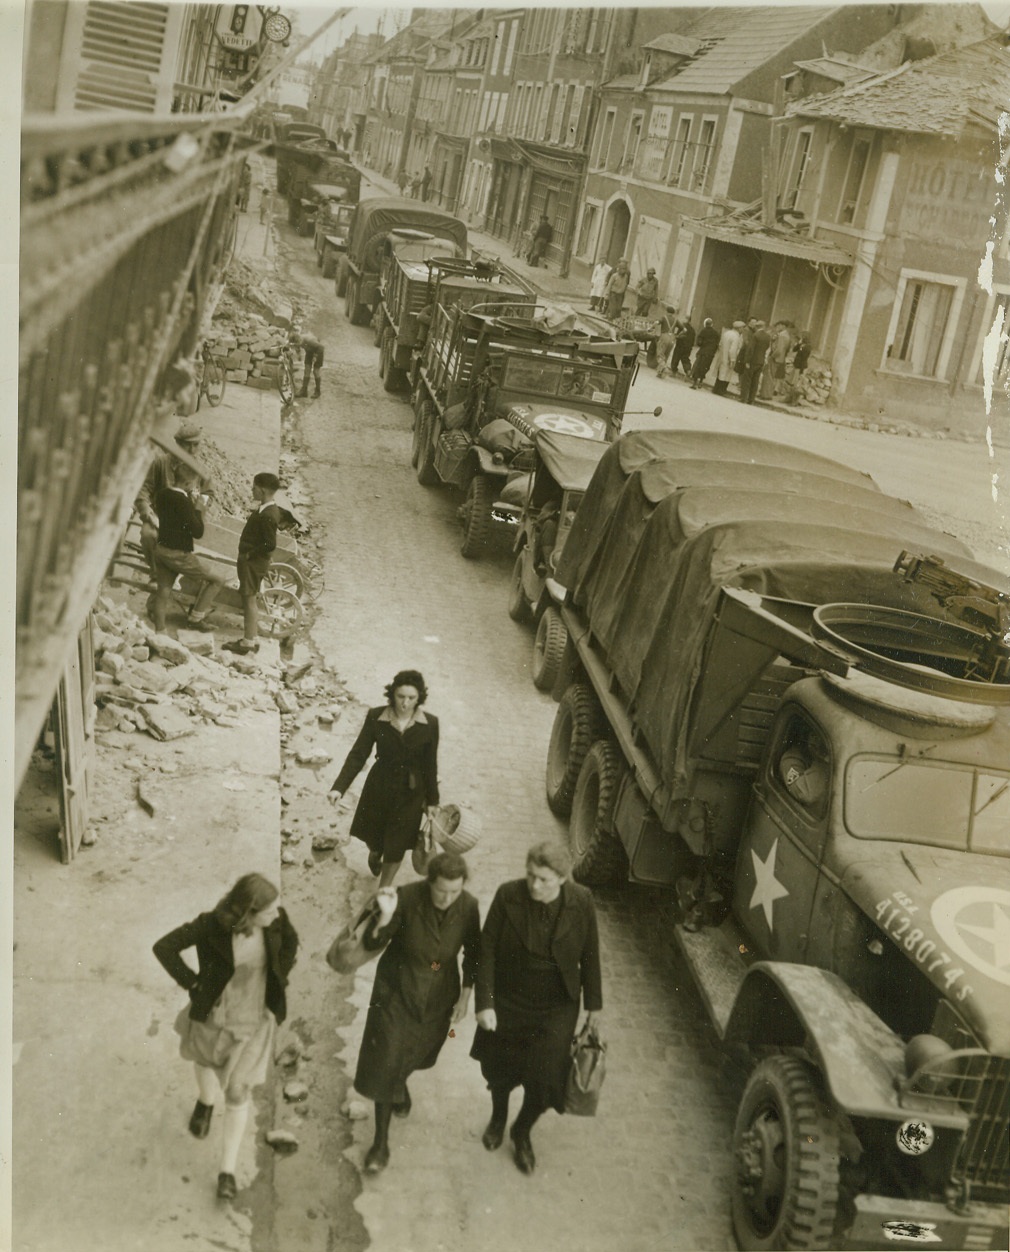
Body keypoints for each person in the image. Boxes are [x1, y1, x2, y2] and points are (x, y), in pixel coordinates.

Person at [153, 874, 298, 1202]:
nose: (276, 913)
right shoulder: (211, 925)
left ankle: (227, 1171)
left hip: (254, 1020)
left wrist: (279, 976)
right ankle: (205, 1101)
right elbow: (164, 947)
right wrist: (192, 983)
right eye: (268, 910)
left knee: (237, 1090)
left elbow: (290, 942)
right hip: (216, 1015)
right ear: (248, 912)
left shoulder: (277, 921)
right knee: (205, 1061)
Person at [471, 841, 602, 1176]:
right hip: (510, 999)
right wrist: (485, 1003)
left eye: (544, 879)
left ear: (562, 878)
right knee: (500, 1069)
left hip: (557, 1006)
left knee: (546, 1079)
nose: (534, 885)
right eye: (530, 875)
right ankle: (498, 1117)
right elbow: (486, 950)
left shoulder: (582, 900)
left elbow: (590, 953)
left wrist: (594, 1006)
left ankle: (522, 1130)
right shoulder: (508, 895)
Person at [353, 852, 480, 1174]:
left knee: (419, 1051)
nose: (448, 899)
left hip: (439, 995)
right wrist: (384, 917)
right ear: (429, 882)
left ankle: (400, 1085)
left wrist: (466, 996)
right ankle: (380, 1144)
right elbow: (371, 942)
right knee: (386, 1059)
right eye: (441, 891)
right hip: (396, 991)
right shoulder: (407, 898)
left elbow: (474, 953)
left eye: (454, 892)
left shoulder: (468, 906)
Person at [327, 670, 439, 887]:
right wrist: (339, 787)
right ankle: (375, 851)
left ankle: (384, 888)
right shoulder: (376, 717)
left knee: (397, 846)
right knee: (375, 836)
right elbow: (358, 754)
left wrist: (433, 801)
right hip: (379, 786)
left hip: (411, 793)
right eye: (400, 696)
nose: (405, 703)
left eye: (411, 698)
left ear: (419, 698)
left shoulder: (430, 724)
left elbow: (430, 765)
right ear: (392, 694)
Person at [149, 461, 225, 632]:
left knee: (163, 592)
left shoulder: (162, 494)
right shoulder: (184, 502)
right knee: (217, 580)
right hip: (178, 555)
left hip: (161, 550)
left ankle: (160, 631)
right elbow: (198, 532)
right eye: (194, 484)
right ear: (188, 483)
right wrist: (199, 509)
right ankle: (196, 618)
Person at [135, 421, 209, 580]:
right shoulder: (160, 463)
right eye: (187, 445)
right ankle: (155, 573)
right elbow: (144, 489)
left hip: (183, 519)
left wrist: (201, 505)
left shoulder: (198, 468)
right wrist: (145, 509)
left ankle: (173, 577)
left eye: (196, 445)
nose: (192, 450)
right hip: (159, 515)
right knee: (148, 535)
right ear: (177, 444)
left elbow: (208, 492)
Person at [222, 472, 286, 655]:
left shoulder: (267, 515)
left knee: (249, 599)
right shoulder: (268, 510)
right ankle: (252, 638)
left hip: (252, 562)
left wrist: (250, 554)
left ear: (263, 490)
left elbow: (269, 544)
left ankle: (248, 642)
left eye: (254, 487)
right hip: (254, 562)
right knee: (250, 598)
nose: (252, 490)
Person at [738, 318, 772, 404]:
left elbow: (750, 349)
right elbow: (767, 348)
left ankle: (743, 398)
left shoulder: (755, 335)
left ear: (757, 327)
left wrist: (747, 361)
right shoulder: (768, 337)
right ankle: (751, 399)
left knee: (747, 380)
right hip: (760, 361)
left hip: (752, 361)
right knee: (755, 381)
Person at [712, 320, 745, 396]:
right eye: (742, 328)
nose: (743, 330)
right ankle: (722, 390)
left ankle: (716, 388)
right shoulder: (736, 337)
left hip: (722, 356)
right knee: (726, 374)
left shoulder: (726, 333)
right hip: (729, 358)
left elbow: (720, 344)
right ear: (739, 328)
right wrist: (732, 359)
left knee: (721, 373)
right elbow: (733, 350)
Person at [289, 330, 324, 399]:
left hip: (318, 351)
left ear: (298, 340)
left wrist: (315, 356)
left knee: (315, 371)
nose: (297, 346)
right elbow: (297, 346)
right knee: (307, 370)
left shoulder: (309, 340)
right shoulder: (298, 341)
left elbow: (321, 347)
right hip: (309, 351)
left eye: (297, 344)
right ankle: (304, 391)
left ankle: (318, 391)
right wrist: (298, 354)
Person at [690, 317, 721, 390]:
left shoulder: (703, 331)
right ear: (712, 324)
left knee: (698, 367)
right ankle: (701, 382)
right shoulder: (716, 333)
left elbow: (699, 343)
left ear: (705, 324)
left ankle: (694, 383)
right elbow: (717, 344)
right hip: (710, 354)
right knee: (705, 367)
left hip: (703, 352)